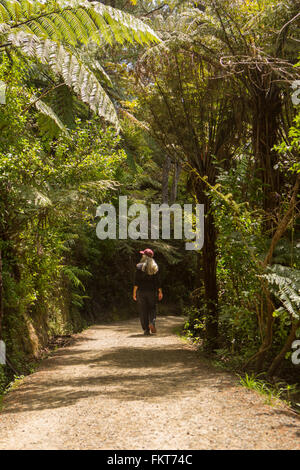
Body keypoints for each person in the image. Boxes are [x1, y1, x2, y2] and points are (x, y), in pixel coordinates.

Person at [133, 248, 163, 335]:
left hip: (141, 292)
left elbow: (136, 281)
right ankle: (152, 323)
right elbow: (158, 281)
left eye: (143, 254)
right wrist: (160, 292)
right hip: (152, 292)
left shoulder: (139, 266)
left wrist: (134, 292)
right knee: (152, 308)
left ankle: (146, 330)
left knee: (143, 310)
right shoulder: (155, 267)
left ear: (144, 256)